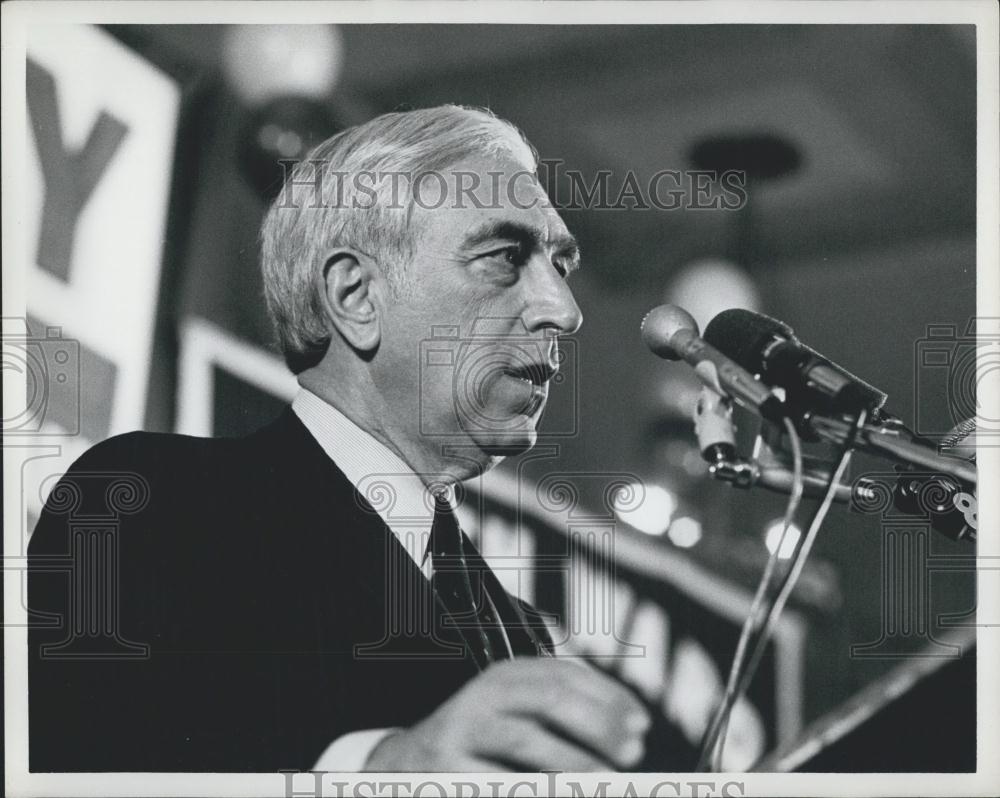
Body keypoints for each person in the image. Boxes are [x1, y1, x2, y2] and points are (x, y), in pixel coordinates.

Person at [28, 105, 652, 773]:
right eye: (505, 257)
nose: (563, 308)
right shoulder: (147, 498)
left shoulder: (517, 631)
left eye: (562, 264)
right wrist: (379, 772)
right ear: (355, 294)